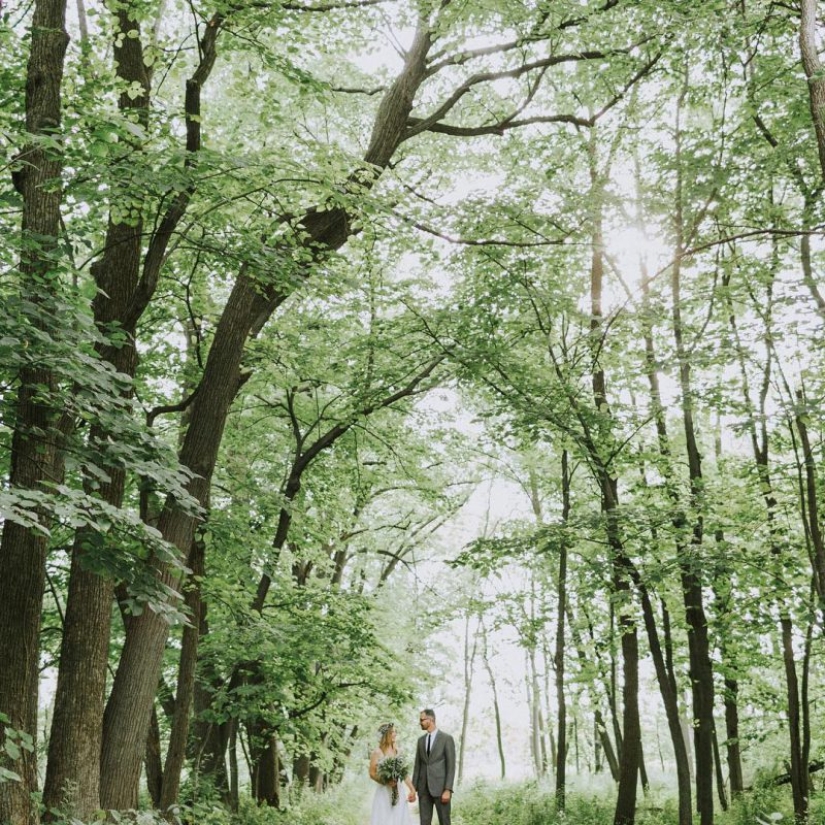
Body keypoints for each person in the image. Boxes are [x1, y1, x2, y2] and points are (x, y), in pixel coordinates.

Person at [412, 708, 455, 825]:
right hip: (423, 789)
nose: (420, 723)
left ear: (430, 719)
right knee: (424, 822)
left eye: (422, 720)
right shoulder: (420, 741)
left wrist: (448, 789)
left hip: (441, 789)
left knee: (444, 821)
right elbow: (417, 766)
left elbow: (451, 766)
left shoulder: (446, 739)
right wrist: (413, 788)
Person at [370, 722, 416, 825]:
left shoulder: (398, 751)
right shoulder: (377, 752)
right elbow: (372, 773)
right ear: (385, 735)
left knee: (399, 820)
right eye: (392, 732)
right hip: (384, 792)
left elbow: (404, 773)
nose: (395, 734)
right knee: (383, 820)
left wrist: (412, 789)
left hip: (398, 792)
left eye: (395, 732)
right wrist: (385, 781)